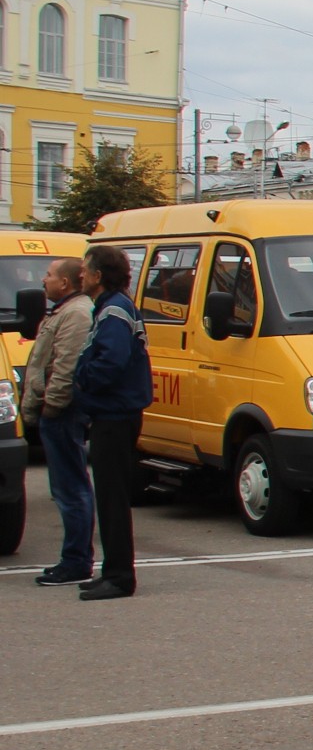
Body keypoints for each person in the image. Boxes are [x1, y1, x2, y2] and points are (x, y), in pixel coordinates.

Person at [72, 245, 153, 601]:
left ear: (98, 275)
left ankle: (119, 576)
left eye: (85, 270)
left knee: (112, 498)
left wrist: (83, 379)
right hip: (114, 413)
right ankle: (112, 570)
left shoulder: (114, 311)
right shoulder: (111, 308)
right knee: (109, 496)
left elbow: (111, 362)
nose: (81, 276)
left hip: (115, 415)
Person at [24, 257, 96, 587]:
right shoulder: (64, 310)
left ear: (65, 283)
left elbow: (64, 368)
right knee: (65, 487)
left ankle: (76, 561)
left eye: (49, 275)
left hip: (63, 414)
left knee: (71, 489)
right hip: (56, 413)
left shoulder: (76, 313)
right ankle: (74, 558)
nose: (44, 280)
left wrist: (51, 406)